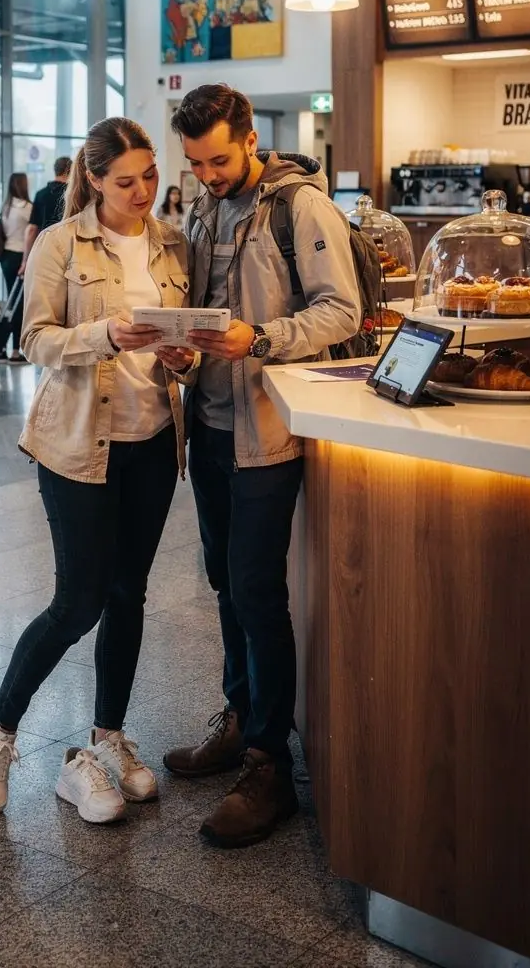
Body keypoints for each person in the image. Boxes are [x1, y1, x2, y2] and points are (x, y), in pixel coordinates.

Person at [0, 117, 195, 824]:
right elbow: (34, 338)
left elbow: (187, 341)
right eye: (125, 181)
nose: (142, 191)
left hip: (153, 440)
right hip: (77, 445)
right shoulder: (59, 243)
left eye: (150, 176)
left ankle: (106, 740)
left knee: (128, 596)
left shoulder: (172, 243)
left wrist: (186, 356)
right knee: (78, 602)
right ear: (93, 179)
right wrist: (106, 334)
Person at [163, 84, 361, 849]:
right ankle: (239, 715)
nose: (207, 175)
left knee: (255, 590)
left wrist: (263, 339)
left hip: (267, 433)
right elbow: (205, 310)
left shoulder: (300, 207)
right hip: (209, 427)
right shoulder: (204, 211)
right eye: (195, 163)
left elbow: (340, 310)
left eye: (218, 160)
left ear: (250, 139)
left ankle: (269, 763)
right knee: (223, 582)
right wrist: (183, 352)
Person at [0, 173, 32, 363]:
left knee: (10, 302)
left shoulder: (5, 207)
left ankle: (1, 347)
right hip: (21, 258)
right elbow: (31, 232)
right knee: (20, 305)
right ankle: (15, 351)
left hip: (6, 256)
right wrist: (26, 261)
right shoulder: (27, 208)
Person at [20, 155, 72, 273]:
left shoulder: (41, 194)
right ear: (71, 171)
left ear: (55, 170)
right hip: (70, 252)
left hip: (46, 251)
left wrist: (25, 261)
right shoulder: (75, 195)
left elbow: (32, 229)